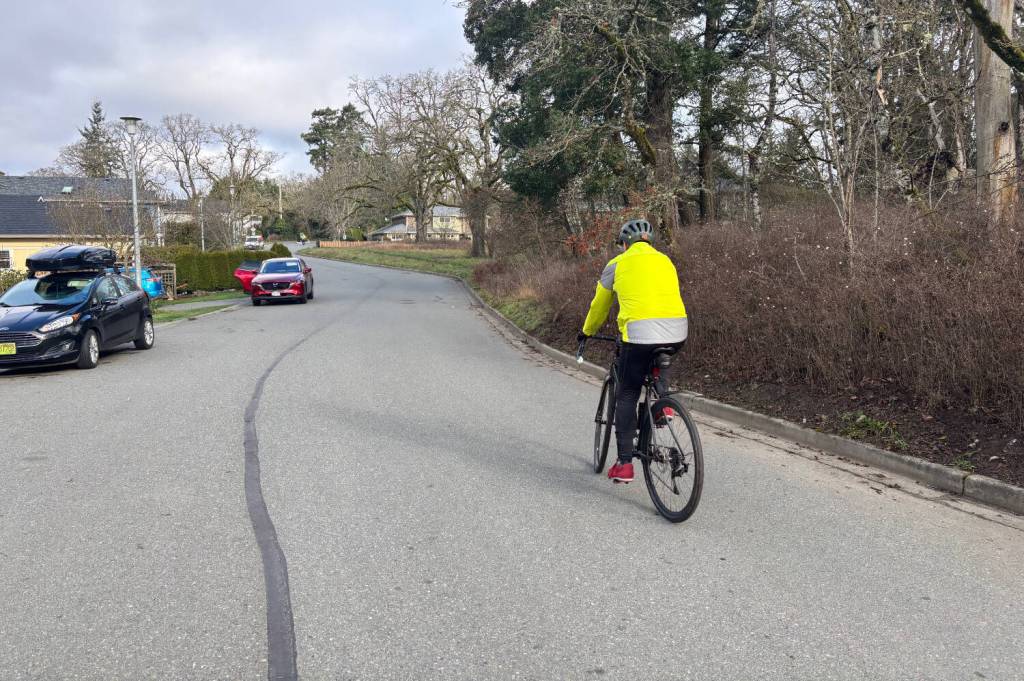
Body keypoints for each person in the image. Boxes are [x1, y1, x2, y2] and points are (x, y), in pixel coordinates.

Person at [578, 219, 688, 483]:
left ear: (624, 244)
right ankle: (663, 405)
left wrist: (587, 331)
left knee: (627, 393)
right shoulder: (666, 261)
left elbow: (600, 305)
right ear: (649, 242)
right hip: (678, 331)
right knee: (659, 359)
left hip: (639, 335)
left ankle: (625, 463)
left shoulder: (617, 264)